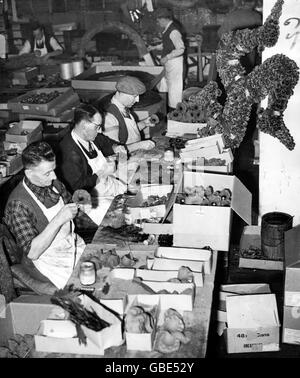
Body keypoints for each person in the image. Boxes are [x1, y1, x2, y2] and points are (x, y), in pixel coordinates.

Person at [3, 141, 85, 289]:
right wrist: (59, 219)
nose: (54, 176)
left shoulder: (53, 184)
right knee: (84, 284)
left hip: (68, 245)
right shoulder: (18, 204)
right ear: (29, 173)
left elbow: (73, 208)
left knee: (99, 266)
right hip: (43, 261)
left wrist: (80, 202)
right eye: (47, 173)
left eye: (53, 169)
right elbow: (33, 253)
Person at [58, 103, 127, 197]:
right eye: (97, 127)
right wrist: (102, 173)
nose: (100, 130)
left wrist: (115, 148)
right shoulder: (69, 152)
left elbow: (106, 145)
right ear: (83, 125)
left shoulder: (91, 136)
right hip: (92, 198)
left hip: (107, 186)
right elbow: (77, 188)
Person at [102, 76, 157, 153]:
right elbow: (113, 150)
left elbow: (127, 132)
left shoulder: (122, 108)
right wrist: (139, 145)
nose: (137, 100)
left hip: (134, 154)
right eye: (134, 96)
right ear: (120, 93)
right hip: (123, 159)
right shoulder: (109, 116)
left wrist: (144, 123)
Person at [152, 7, 185, 111]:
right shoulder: (168, 29)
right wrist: (154, 47)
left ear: (163, 19)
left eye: (158, 21)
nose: (158, 23)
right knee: (166, 87)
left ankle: (175, 116)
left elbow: (180, 49)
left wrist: (167, 57)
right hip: (170, 64)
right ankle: (168, 113)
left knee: (175, 91)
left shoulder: (174, 31)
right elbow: (167, 45)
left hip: (175, 64)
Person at [217, 0, 262, 73]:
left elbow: (221, 33)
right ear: (255, 3)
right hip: (250, 52)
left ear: (242, 2)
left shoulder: (232, 15)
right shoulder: (257, 16)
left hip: (233, 51)